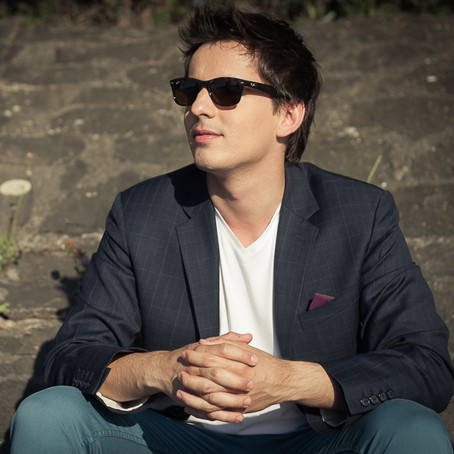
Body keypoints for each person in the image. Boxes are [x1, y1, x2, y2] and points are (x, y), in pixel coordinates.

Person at [10, 5, 454, 454]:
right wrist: (164, 369)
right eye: (189, 91)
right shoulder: (142, 212)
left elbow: (427, 365)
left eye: (226, 91)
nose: (198, 108)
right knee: (48, 416)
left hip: (321, 444)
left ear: (289, 114)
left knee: (409, 427)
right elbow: (70, 358)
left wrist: (289, 381)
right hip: (180, 441)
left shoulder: (360, 213)